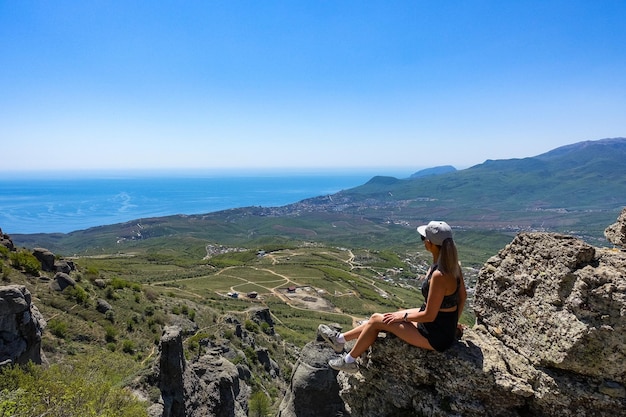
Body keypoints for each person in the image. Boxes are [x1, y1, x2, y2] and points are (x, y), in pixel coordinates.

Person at [318, 220, 467, 373]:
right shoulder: (453, 266)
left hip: (435, 335)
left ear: (430, 244)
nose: (423, 242)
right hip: (441, 325)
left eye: (423, 239)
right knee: (386, 317)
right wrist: (452, 322)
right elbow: (463, 297)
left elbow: (429, 315)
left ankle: (349, 360)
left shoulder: (439, 275)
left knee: (377, 319)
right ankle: (339, 340)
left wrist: (403, 318)